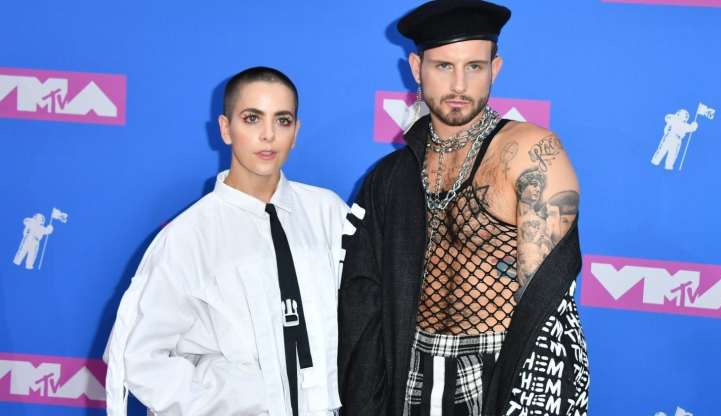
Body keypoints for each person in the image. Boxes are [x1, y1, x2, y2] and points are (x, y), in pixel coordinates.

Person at [338, 1, 589, 415]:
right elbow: (364, 303)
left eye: (474, 66)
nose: (459, 84)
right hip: (411, 370)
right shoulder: (391, 176)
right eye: (443, 67)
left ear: (496, 68)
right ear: (417, 68)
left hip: (497, 373)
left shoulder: (529, 153)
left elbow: (548, 312)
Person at [104, 66, 347, 416]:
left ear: (296, 132)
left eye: (282, 120)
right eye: (252, 118)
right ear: (225, 128)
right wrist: (224, 399)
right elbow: (138, 357)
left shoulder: (328, 213)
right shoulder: (188, 237)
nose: (268, 135)